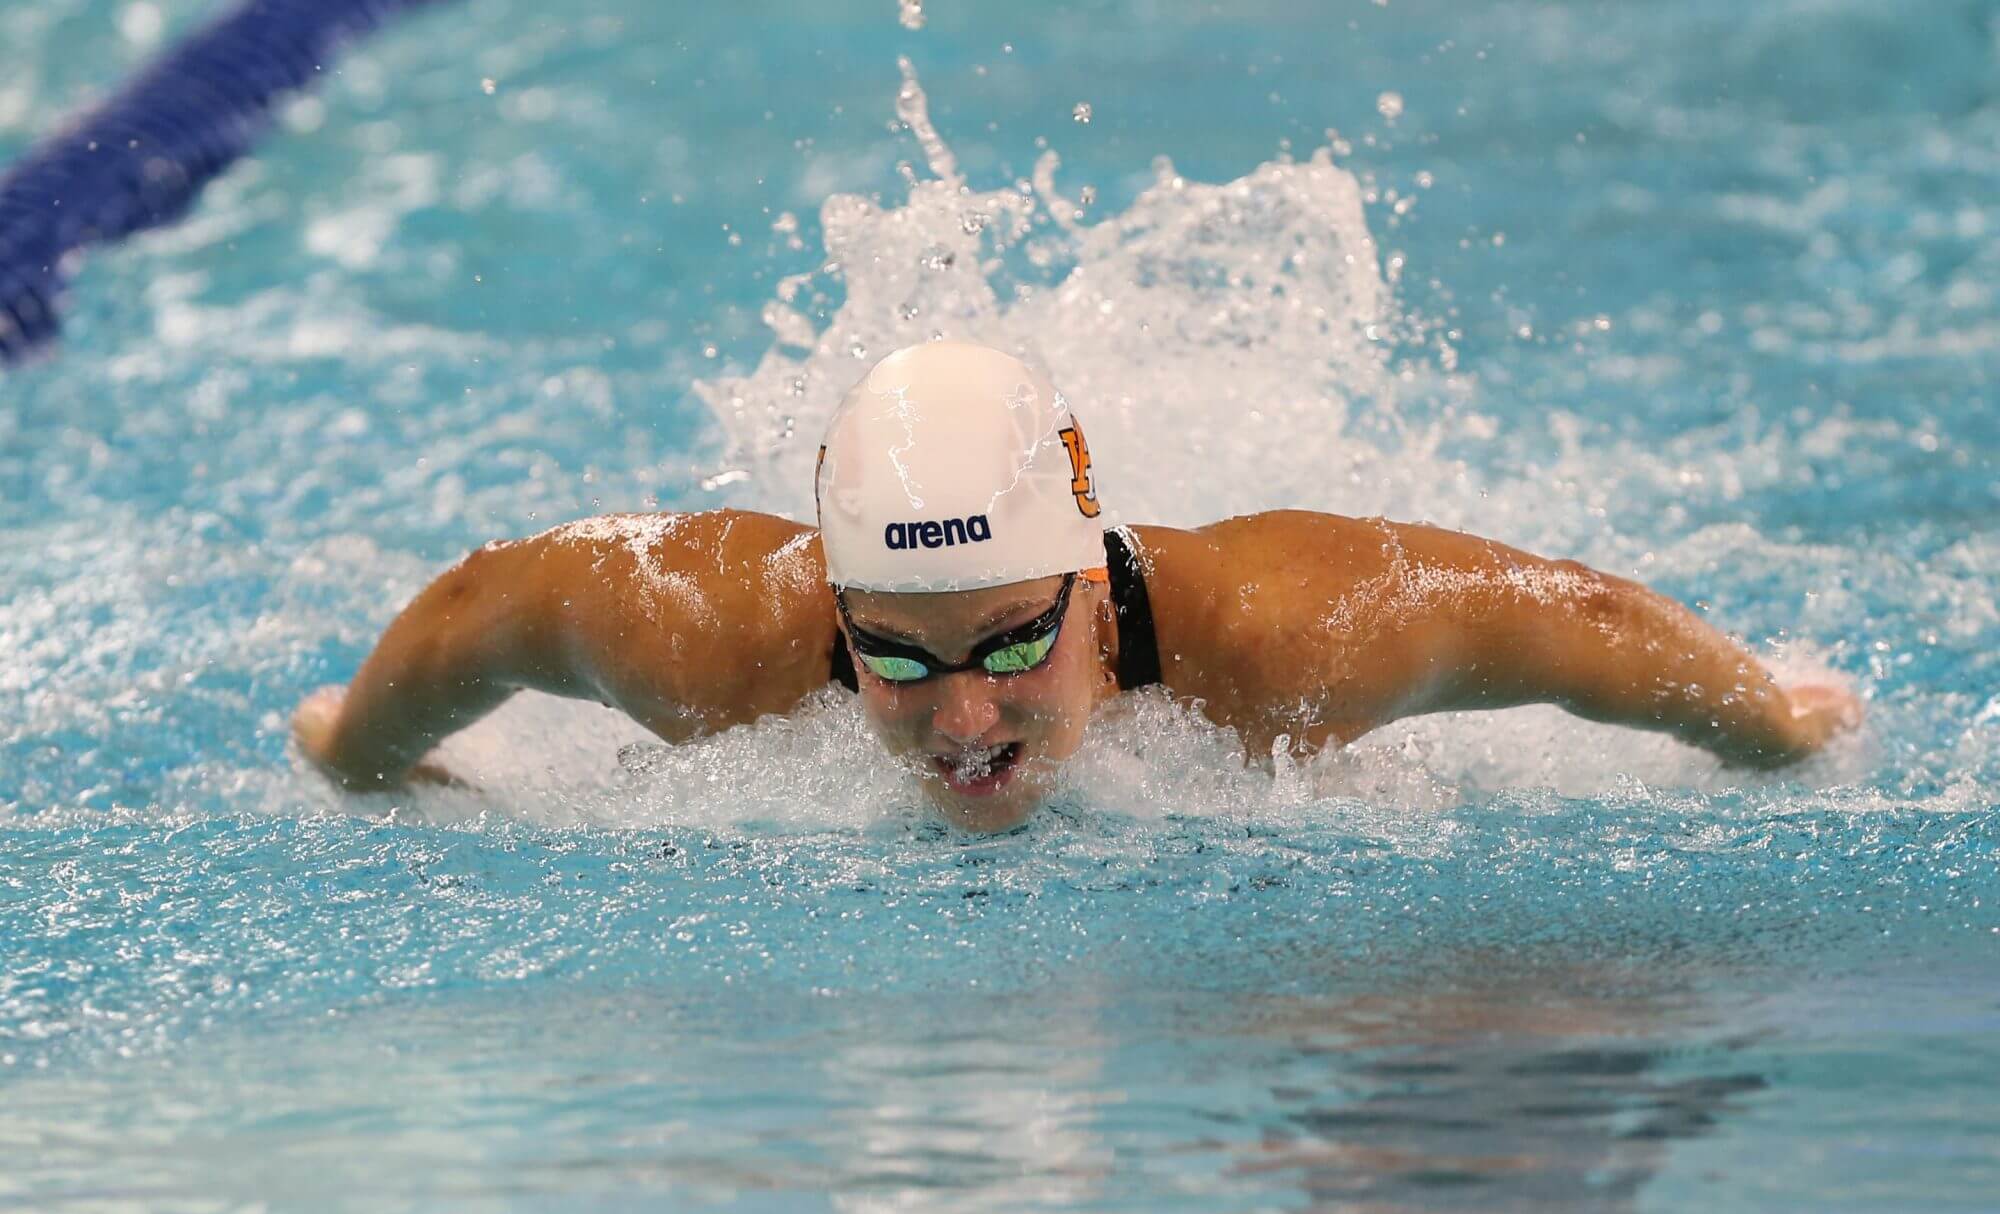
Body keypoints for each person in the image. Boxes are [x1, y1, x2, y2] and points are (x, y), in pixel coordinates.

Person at [292, 341, 1862, 831]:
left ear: (1089, 583)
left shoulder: (1284, 637)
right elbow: (473, 612)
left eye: (1012, 638)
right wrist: (360, 755)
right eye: (893, 659)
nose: (965, 717)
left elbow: (1575, 621)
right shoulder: (715, 642)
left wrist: (1771, 731)